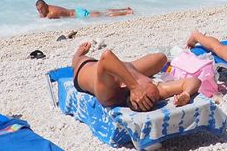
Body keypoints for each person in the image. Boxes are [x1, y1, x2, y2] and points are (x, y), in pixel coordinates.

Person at [71, 41, 199, 110]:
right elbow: (194, 81)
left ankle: (77, 54)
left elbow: (106, 56)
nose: (153, 81)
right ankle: (128, 68)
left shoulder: (109, 92)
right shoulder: (153, 93)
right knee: (161, 58)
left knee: (79, 61)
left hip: (84, 69)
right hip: (128, 68)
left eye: (150, 82)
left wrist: (134, 86)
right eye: (152, 82)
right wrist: (186, 94)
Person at [35, 0, 133, 19]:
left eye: (41, 9)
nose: (40, 11)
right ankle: (124, 9)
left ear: (45, 5)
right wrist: (41, 13)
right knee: (103, 12)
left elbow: (45, 19)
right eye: (38, 10)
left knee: (105, 15)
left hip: (79, 15)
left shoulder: (51, 13)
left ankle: (127, 13)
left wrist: (42, 15)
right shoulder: (49, 7)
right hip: (77, 11)